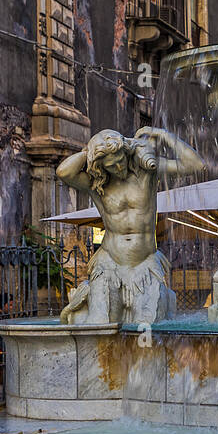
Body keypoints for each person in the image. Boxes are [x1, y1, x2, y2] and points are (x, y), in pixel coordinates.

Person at [56, 126, 203, 324]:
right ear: (101, 166)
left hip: (144, 262)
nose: (118, 168)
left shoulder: (147, 172)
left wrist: (164, 135)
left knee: (149, 324)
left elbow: (195, 165)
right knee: (101, 323)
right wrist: (90, 151)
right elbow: (64, 172)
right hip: (109, 262)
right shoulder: (96, 184)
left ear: (126, 152)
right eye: (111, 165)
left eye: (120, 160)